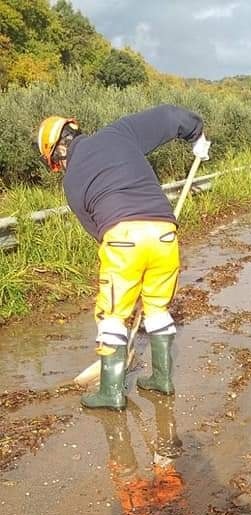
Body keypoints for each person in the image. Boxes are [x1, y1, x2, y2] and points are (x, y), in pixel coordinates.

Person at [37, 106, 211, 410]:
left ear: (59, 150)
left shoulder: (71, 182)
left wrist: (123, 257)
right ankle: (162, 379)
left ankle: (111, 393)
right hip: (165, 233)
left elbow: (98, 231)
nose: (59, 168)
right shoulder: (120, 132)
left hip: (122, 238)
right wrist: (197, 135)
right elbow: (170, 117)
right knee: (157, 307)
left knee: (112, 316)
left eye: (55, 162)